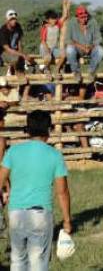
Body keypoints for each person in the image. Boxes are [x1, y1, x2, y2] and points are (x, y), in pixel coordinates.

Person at [0, 110, 72, 270]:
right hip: (40, 214)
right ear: (48, 129)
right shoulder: (54, 155)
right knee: (38, 262)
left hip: (16, 213)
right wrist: (67, 220)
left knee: (18, 260)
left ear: (28, 129)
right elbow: (62, 192)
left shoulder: (13, 152)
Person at [64, 5, 103, 80]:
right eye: (82, 17)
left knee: (100, 50)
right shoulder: (71, 23)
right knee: (69, 49)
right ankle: (76, 72)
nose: (84, 19)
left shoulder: (93, 22)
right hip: (77, 48)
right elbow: (68, 39)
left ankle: (92, 72)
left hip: (90, 48)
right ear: (77, 17)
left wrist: (91, 46)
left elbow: (98, 39)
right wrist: (80, 46)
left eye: (86, 17)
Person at [40, 0, 70, 74]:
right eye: (52, 19)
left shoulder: (57, 25)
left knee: (64, 54)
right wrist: (47, 50)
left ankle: (56, 69)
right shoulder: (45, 27)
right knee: (48, 58)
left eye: (55, 18)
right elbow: (43, 41)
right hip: (45, 47)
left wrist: (64, 4)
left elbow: (65, 15)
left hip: (54, 48)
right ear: (48, 20)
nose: (54, 20)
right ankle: (46, 69)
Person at [0, 9, 34, 75]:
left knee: (26, 59)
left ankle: (18, 73)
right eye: (11, 19)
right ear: (7, 20)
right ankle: (13, 71)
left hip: (15, 51)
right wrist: (22, 55)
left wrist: (21, 53)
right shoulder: (3, 31)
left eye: (15, 19)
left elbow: (19, 42)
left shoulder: (18, 27)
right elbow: (7, 49)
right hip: (4, 52)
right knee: (15, 59)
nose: (14, 21)